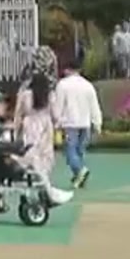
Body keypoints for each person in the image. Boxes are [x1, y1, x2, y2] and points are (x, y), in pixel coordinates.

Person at [0, 89, 72, 206]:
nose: (4, 106)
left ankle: (49, 192)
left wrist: (5, 132)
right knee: (33, 159)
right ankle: (49, 193)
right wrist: (11, 147)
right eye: (1, 103)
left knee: (33, 158)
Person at [55, 57, 102, 189]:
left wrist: (56, 121)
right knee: (79, 151)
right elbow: (94, 105)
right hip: (85, 123)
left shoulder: (63, 85)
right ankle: (79, 177)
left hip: (69, 123)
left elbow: (59, 105)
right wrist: (97, 122)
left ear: (67, 69)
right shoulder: (88, 85)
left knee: (70, 152)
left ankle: (80, 171)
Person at [11, 70, 60, 186]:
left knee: (30, 149)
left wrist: (16, 129)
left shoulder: (24, 94)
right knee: (45, 150)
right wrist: (57, 124)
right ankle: (43, 174)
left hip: (29, 124)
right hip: (45, 124)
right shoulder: (50, 95)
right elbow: (55, 114)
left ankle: (31, 172)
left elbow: (18, 113)